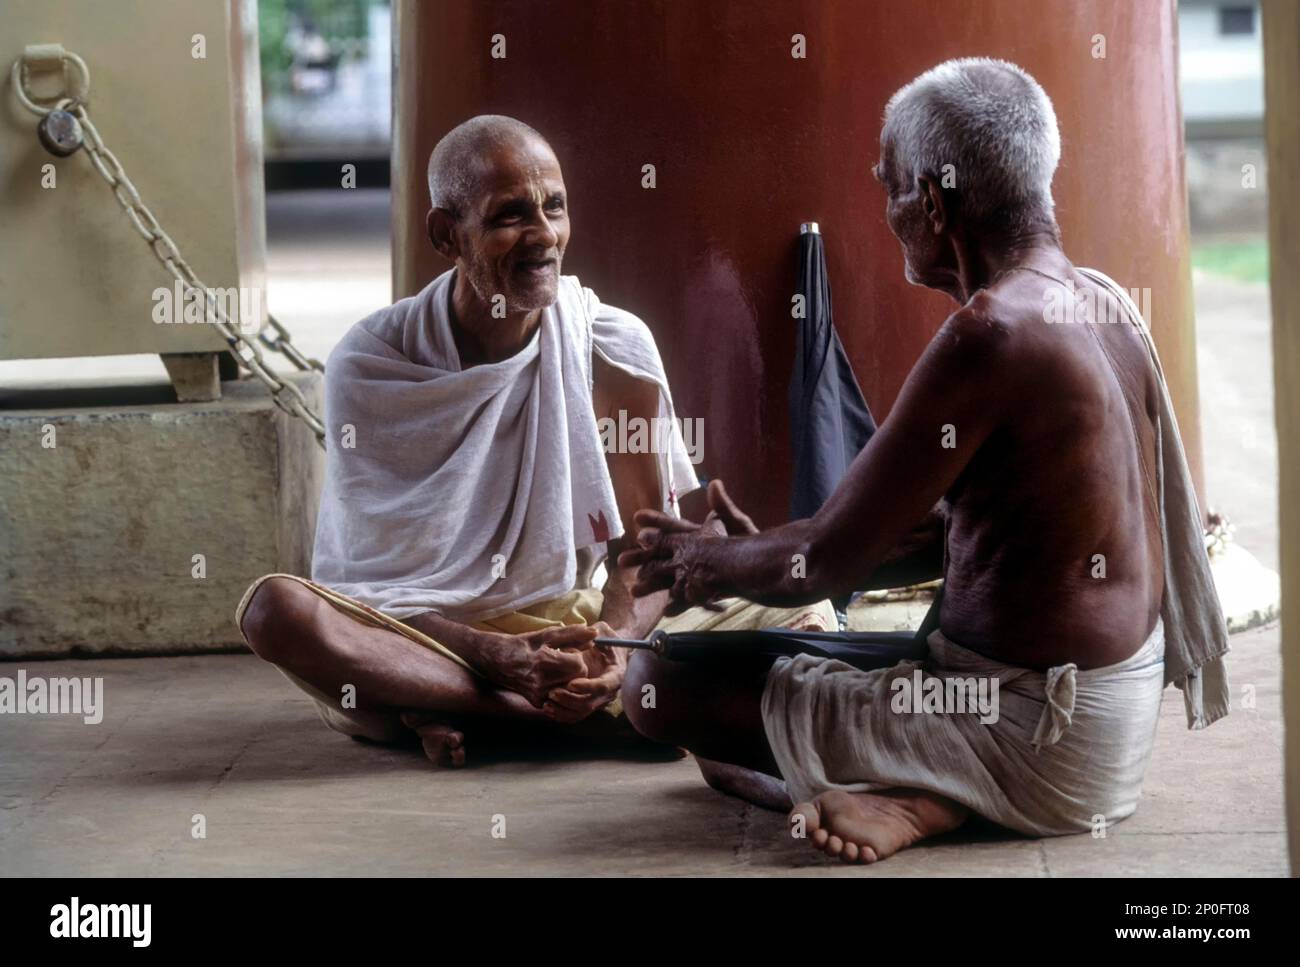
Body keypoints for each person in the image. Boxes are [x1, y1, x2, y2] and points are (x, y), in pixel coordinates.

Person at [618, 59, 1230, 863]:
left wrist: (707, 562)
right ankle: (901, 789)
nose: (888, 208)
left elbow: (822, 562)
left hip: (1032, 730)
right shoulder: (1100, 300)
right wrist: (752, 552)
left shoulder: (992, 334)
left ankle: (932, 796)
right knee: (733, 736)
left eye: (889, 186)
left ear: (933, 202)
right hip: (1103, 720)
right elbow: (936, 537)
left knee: (656, 684)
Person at [237, 115, 835, 768]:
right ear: (446, 234)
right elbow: (372, 591)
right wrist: (498, 658)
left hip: (568, 625)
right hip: (422, 640)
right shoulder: (374, 362)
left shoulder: (611, 345)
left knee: (807, 614)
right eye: (509, 216)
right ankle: (544, 715)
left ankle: (458, 712)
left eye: (554, 206)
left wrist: (611, 646)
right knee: (275, 611)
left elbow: (647, 555)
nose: (544, 236)